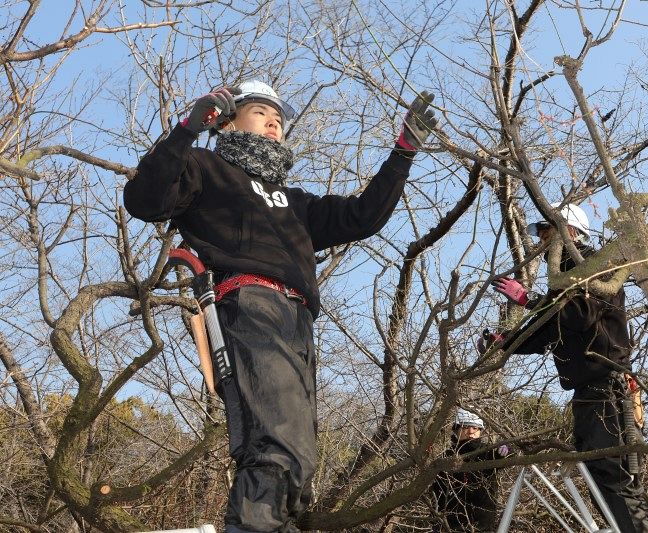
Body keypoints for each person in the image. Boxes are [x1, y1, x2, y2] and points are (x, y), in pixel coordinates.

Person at [124, 79, 437, 533]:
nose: (273, 122)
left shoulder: (296, 202)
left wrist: (403, 152)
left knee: (300, 462)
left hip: (297, 320)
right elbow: (145, 200)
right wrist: (187, 130)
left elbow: (361, 216)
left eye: (279, 119)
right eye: (260, 113)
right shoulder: (205, 167)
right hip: (248, 305)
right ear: (226, 121)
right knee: (274, 446)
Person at [481, 203, 648, 533]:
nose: (543, 241)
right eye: (543, 235)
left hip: (608, 386)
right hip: (589, 391)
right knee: (595, 472)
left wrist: (530, 301)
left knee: (612, 473)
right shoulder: (562, 281)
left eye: (548, 233)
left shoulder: (595, 264)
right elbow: (549, 330)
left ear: (569, 233)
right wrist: (505, 342)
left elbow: (579, 315)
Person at [431, 409, 510, 533]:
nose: (471, 432)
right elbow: (436, 494)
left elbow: (513, 457)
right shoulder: (447, 458)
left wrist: (505, 451)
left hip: (482, 525)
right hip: (451, 525)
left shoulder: (488, 453)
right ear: (457, 429)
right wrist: (436, 523)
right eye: (466, 427)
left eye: (475, 428)